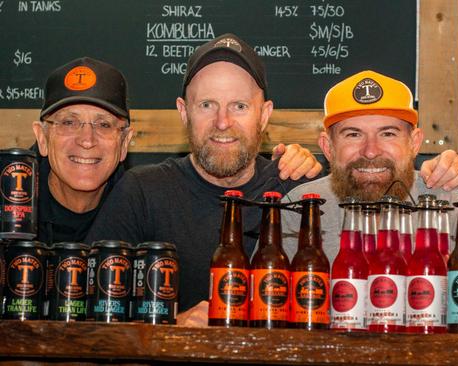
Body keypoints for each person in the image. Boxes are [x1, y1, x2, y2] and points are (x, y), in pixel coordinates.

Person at [85, 33, 322, 313]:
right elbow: (93, 317)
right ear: (184, 112)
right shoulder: (142, 193)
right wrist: (173, 331)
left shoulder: (293, 192)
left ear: (265, 114)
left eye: (240, 106)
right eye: (207, 105)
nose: (223, 122)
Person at [281, 70, 458, 262]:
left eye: (388, 134)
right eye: (353, 134)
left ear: (415, 143)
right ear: (328, 147)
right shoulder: (299, 208)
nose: (370, 151)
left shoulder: (454, 203)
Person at [31, 57, 134, 244]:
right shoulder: (8, 201)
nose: (87, 140)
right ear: (42, 138)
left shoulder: (142, 211)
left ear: (124, 142)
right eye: (69, 122)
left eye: (103, 124)